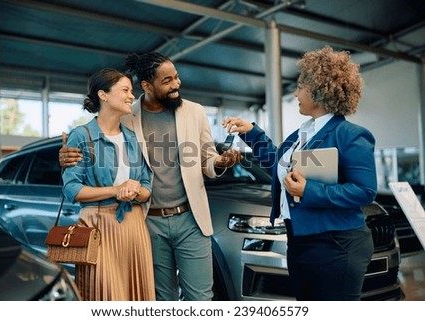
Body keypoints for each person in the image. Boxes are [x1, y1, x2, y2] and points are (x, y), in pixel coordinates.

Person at [60, 52, 241, 301]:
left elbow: (206, 159)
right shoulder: (128, 116)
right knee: (159, 298)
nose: (176, 84)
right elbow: (99, 141)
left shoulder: (194, 112)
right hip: (148, 222)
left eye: (176, 77)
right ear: (147, 85)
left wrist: (220, 161)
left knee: (200, 298)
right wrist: (65, 156)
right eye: (167, 80)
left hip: (191, 219)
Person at [222, 45, 376, 301]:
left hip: (336, 244)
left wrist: (309, 191)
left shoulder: (351, 135)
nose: (295, 93)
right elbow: (278, 165)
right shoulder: (302, 133)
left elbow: (364, 190)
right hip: (300, 239)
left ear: (319, 89)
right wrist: (250, 132)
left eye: (301, 87)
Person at [62, 68, 155, 301]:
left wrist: (135, 191)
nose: (131, 95)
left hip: (134, 226)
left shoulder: (132, 138)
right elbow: (72, 189)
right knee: (103, 295)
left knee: (137, 296)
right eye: (125, 90)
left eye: (131, 91)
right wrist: (116, 190)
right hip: (98, 227)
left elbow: (146, 186)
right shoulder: (81, 136)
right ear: (103, 95)